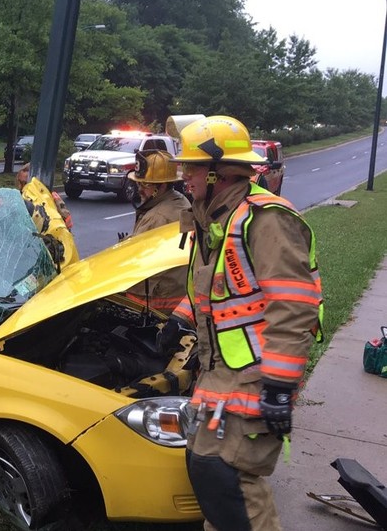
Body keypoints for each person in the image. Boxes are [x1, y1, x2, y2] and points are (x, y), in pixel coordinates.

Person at [164, 115, 323, 530]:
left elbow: (295, 307)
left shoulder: (265, 219)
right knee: (209, 475)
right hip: (220, 370)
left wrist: (280, 386)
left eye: (191, 168)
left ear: (218, 172)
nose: (184, 177)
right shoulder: (215, 218)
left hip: (257, 374)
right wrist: (178, 321)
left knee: (228, 478)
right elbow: (214, 288)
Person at [121, 150, 190, 313]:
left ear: (162, 186)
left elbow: (135, 259)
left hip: (154, 299)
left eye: (145, 184)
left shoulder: (158, 217)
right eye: (138, 184)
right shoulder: (179, 200)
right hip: (177, 292)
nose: (139, 189)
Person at [16, 161, 73, 230]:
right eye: (21, 182)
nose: (23, 187)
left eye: (26, 183)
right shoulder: (18, 197)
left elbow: (66, 221)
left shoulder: (51, 198)